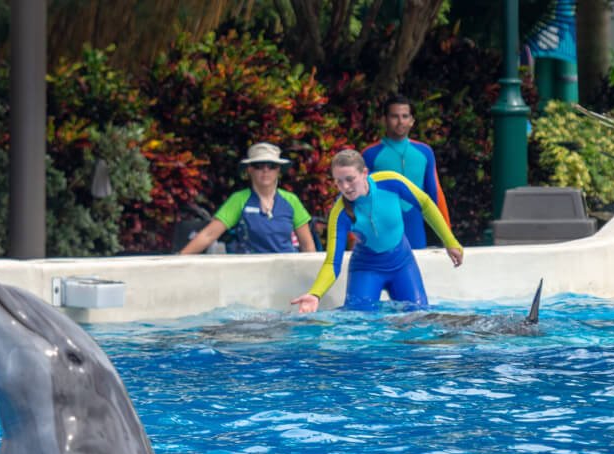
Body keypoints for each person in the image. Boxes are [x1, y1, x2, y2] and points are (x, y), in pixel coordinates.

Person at [291, 150, 462, 313]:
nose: (345, 187)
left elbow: (425, 203)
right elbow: (332, 263)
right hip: (366, 269)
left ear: (364, 173)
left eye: (350, 179)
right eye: (339, 181)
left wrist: (449, 240)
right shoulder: (340, 213)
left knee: (418, 317)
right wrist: (315, 294)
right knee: (360, 323)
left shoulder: (391, 182)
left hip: (402, 264)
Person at [179, 143, 317, 255]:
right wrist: (178, 260)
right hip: (250, 273)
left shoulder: (291, 200)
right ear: (249, 170)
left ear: (278, 170)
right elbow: (209, 235)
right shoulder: (239, 199)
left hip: (286, 271)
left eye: (271, 166)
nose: (265, 170)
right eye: (259, 166)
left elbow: (308, 246)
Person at [361, 94, 451, 250]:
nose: (400, 121)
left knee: (416, 269)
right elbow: (359, 196)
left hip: (414, 225)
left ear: (412, 121)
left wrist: (447, 235)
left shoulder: (424, 152)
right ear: (384, 120)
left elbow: (435, 192)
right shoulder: (370, 154)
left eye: (405, 116)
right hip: (382, 227)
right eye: (394, 116)